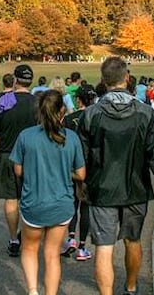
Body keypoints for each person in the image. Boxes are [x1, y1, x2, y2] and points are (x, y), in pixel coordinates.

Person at [77, 57, 154, 295]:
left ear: (103, 81)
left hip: (102, 188)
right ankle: (131, 287)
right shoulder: (145, 113)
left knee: (103, 246)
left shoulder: (90, 114)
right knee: (133, 240)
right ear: (127, 79)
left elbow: (81, 156)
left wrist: (79, 183)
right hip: (135, 188)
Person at [10, 90, 86, 295]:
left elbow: (18, 170)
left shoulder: (26, 136)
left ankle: (33, 291)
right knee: (52, 254)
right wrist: (62, 170)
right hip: (61, 205)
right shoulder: (71, 137)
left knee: (29, 248)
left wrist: (37, 168)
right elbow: (81, 173)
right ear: (62, 111)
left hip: (33, 202)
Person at [0, 64, 38, 257]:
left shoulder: (4, 101)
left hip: (7, 155)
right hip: (32, 156)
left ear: (15, 80)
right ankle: (29, 235)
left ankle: (14, 238)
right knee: (31, 197)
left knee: (11, 199)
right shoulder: (37, 102)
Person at [61, 84, 97, 261]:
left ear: (78, 100)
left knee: (73, 204)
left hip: (72, 167)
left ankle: (71, 238)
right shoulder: (98, 117)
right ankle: (83, 246)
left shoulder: (70, 119)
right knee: (86, 206)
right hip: (92, 168)